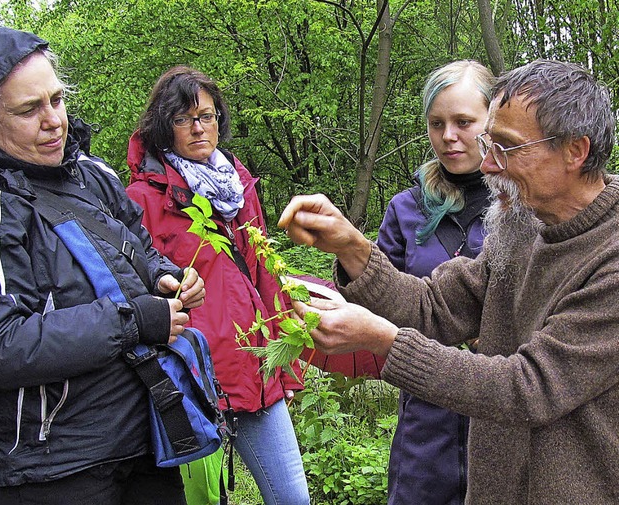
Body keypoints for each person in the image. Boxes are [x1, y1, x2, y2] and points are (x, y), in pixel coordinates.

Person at [279, 59, 618, 504]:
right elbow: (434, 308)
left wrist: (385, 341)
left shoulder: (609, 258)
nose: (489, 166)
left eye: (508, 148)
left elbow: (528, 387)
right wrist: (352, 247)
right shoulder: (524, 226)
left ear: (575, 151)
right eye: (489, 144)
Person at [0, 25, 206, 505]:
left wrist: (163, 277)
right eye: (28, 109)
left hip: (143, 436)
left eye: (57, 100)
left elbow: (140, 248)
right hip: (48, 467)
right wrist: (135, 321)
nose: (54, 121)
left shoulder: (92, 176)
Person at [125, 66, 310, 505]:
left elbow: (262, 269)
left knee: (292, 498)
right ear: (162, 126)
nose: (198, 128)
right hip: (194, 374)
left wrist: (284, 338)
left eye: (207, 116)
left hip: (254, 363)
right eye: (183, 119)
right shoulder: (143, 199)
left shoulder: (237, 184)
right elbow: (137, 288)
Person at [377, 60, 493, 505]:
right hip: (423, 422)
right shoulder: (406, 210)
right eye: (437, 123)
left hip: (499, 412)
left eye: (464, 122)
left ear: (492, 122)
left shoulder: (521, 206)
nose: (448, 136)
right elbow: (379, 302)